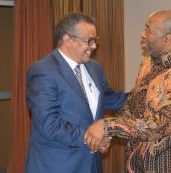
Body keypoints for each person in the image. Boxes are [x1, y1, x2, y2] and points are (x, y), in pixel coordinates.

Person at [84, 9, 171, 172]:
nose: (143, 34)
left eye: (148, 30)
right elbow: (134, 107)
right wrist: (110, 134)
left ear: (167, 37)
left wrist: (108, 126)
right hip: (140, 165)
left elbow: (159, 125)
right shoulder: (149, 63)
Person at [24, 12, 127, 173]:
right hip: (57, 166)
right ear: (68, 39)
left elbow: (110, 99)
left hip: (91, 165)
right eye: (89, 41)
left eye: (95, 40)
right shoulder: (43, 71)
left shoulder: (94, 68)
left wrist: (146, 94)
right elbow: (48, 124)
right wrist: (93, 138)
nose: (94, 46)